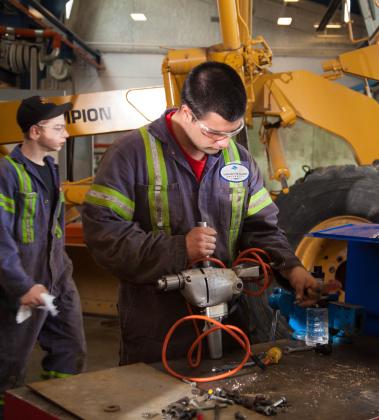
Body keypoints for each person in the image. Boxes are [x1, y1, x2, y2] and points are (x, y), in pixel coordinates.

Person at [82, 61, 320, 365]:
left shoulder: (239, 161)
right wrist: (178, 249)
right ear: (185, 113)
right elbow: (103, 235)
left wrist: (292, 269)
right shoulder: (131, 155)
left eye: (233, 132)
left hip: (230, 325)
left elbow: (263, 229)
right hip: (159, 331)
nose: (223, 143)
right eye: (213, 133)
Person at [0, 96, 86, 414]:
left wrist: (61, 272)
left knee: (70, 348)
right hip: (19, 283)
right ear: (36, 132)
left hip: (57, 276)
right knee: (8, 365)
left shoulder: (51, 169)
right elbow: (1, 240)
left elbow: (55, 229)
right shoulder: (7, 174)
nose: (65, 134)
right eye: (58, 128)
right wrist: (22, 286)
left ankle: (54, 408)